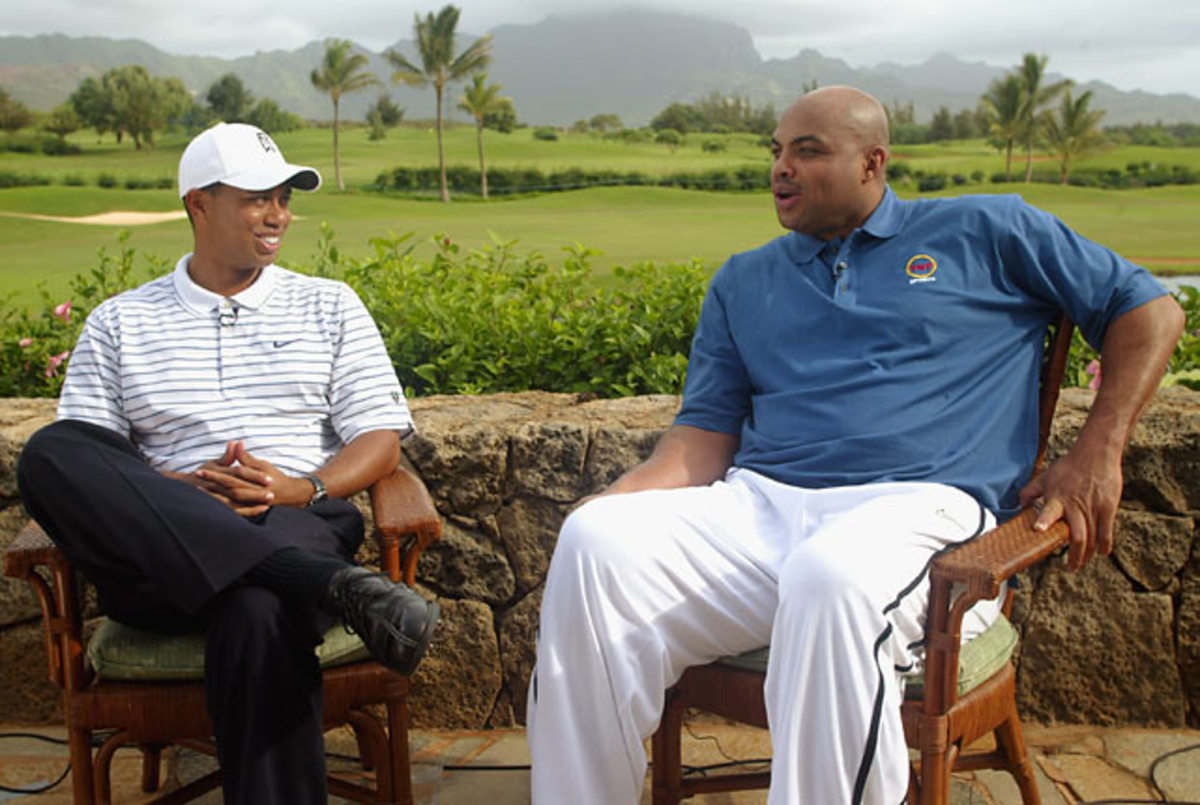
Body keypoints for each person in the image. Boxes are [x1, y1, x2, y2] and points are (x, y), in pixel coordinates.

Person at [526, 86, 1184, 804]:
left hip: (924, 512)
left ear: (874, 162)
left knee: (829, 575)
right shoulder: (744, 280)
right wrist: (612, 501)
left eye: (807, 151)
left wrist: (1098, 449)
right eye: (776, 151)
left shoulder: (988, 229)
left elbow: (1148, 309)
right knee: (593, 540)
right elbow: (699, 444)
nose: (782, 167)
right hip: (760, 509)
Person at [17, 122, 440, 804]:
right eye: (256, 198)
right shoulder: (121, 321)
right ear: (198, 204)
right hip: (156, 556)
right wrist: (177, 494)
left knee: (253, 609)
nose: (278, 214)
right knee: (50, 451)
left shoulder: (329, 305)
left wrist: (302, 485)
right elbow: (86, 462)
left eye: (283, 197)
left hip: (293, 518)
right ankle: (333, 585)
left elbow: (380, 438)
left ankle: (299, 573)